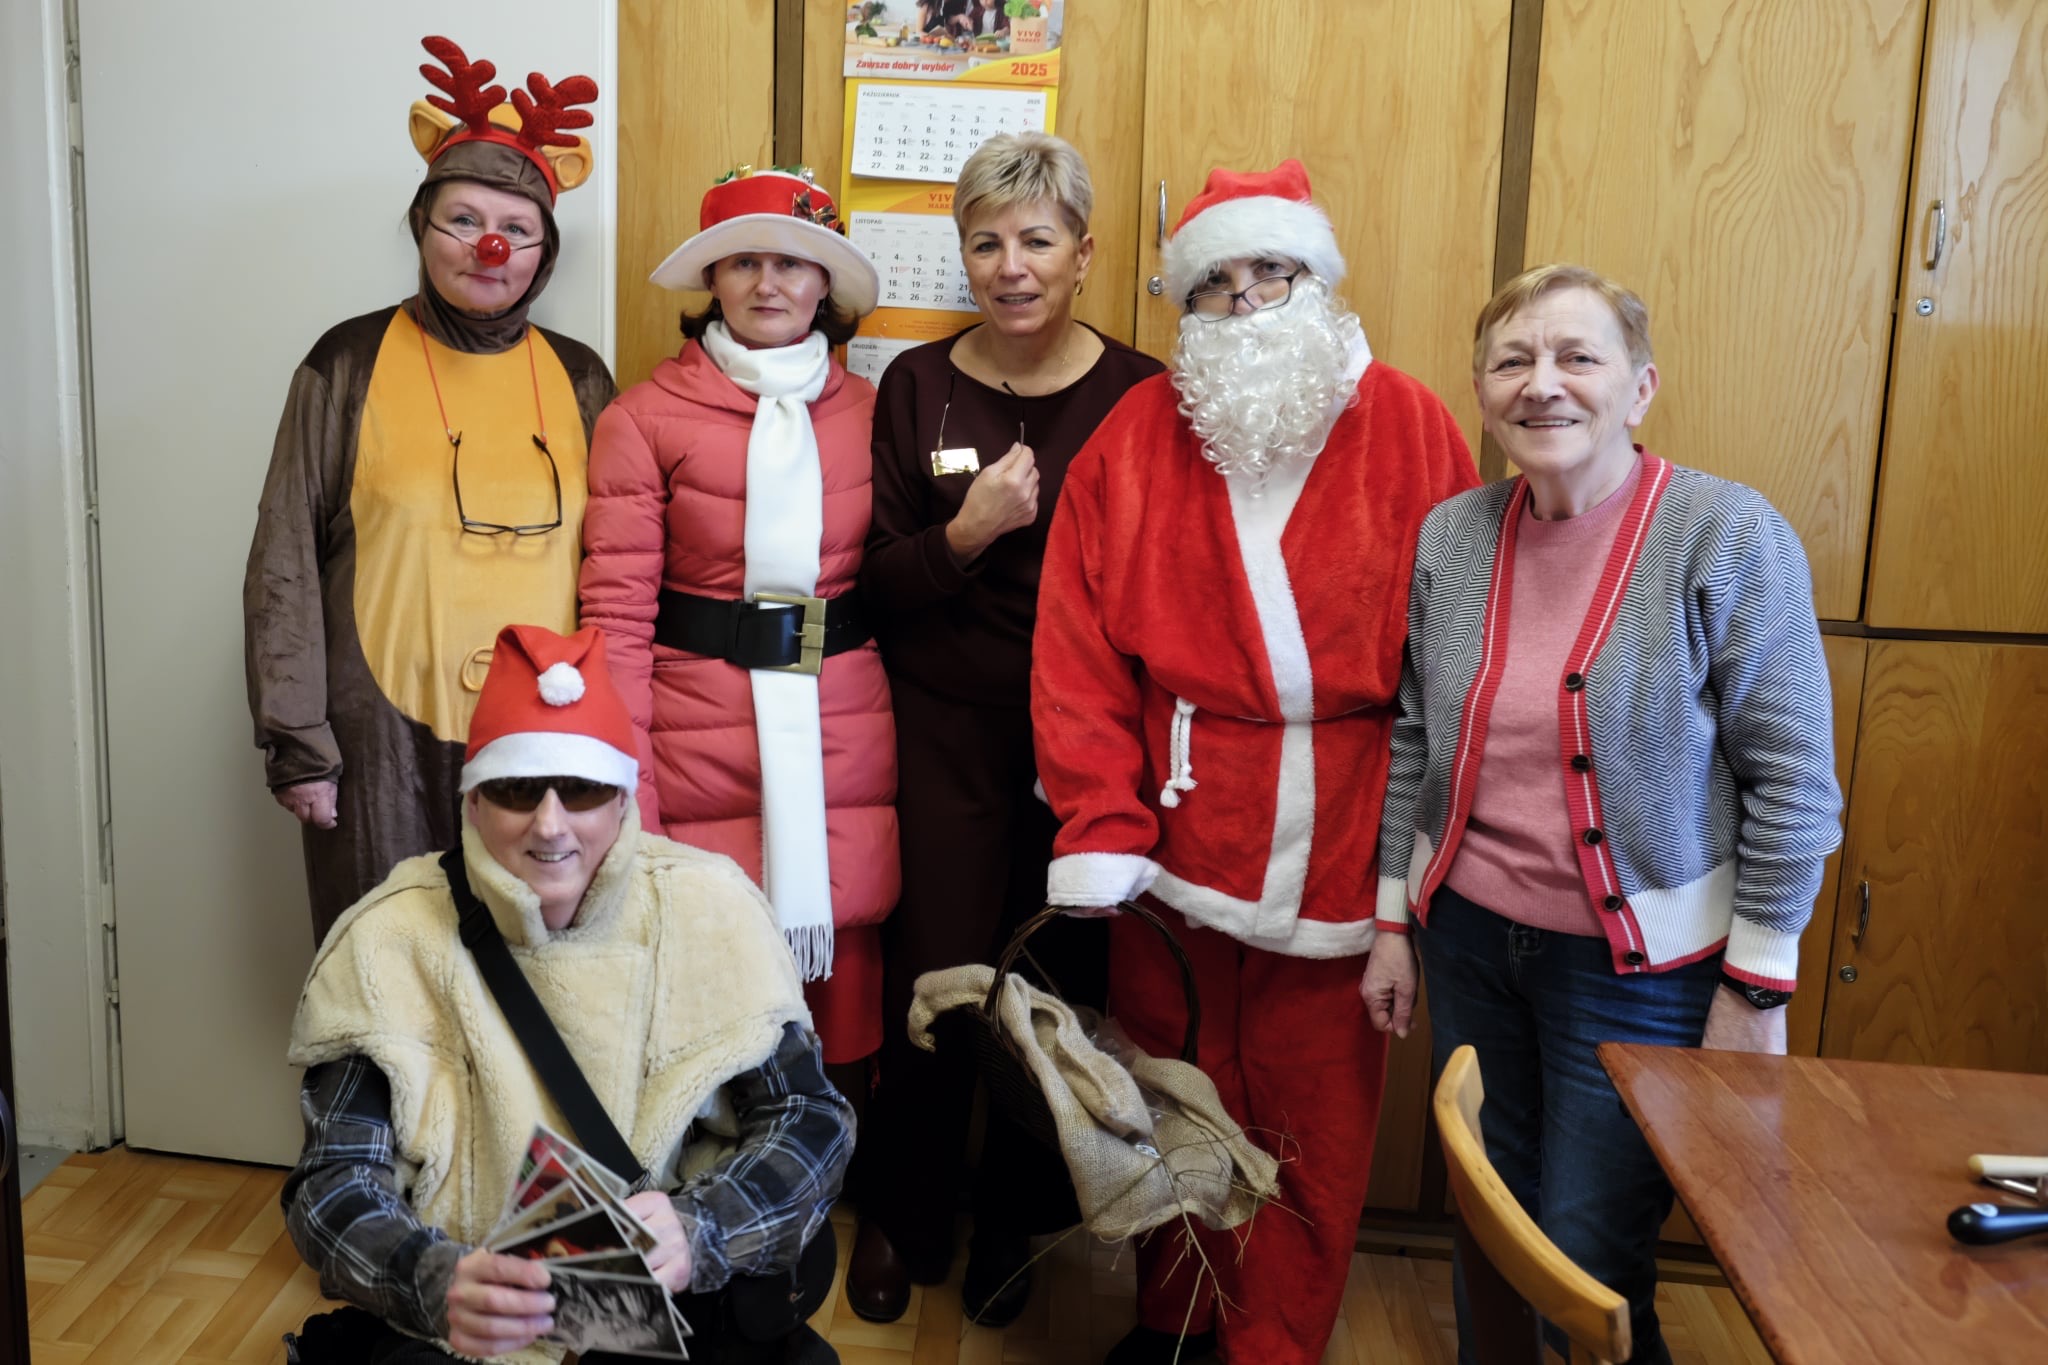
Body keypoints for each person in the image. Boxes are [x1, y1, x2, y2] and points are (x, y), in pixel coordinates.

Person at [1031, 160, 1481, 1365]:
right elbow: (1074, 650)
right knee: (1170, 1089)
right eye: (1215, 282)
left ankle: (1272, 1343)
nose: (1242, 301)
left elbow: (1452, 664)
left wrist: (1411, 873)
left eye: (1268, 273)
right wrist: (1099, 821)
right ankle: (1172, 1323)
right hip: (1172, 829)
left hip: (1345, 830)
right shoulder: (1137, 435)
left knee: (1312, 1118)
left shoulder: (1412, 425)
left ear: (1314, 279)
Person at [1362, 264, 1842, 1364]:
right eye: (1512, 361)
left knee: (1586, 1261)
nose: (1542, 384)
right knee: (1490, 1225)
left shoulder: (1725, 534)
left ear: (1639, 387)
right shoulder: (1451, 536)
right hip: (1467, 943)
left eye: (1577, 357)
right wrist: (1392, 922)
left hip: (1637, 977)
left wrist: (1756, 989)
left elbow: (1795, 785)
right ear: (1481, 392)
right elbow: (1415, 739)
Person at [281, 623, 850, 1365]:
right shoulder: (387, 936)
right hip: (467, 1325)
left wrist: (703, 1229)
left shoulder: (713, 908)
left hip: (673, 1306)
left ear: (622, 799)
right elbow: (331, 1182)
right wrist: (429, 1277)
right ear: (474, 802)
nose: (550, 826)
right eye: (517, 789)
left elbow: (809, 1119)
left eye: (580, 788)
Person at [847, 131, 1165, 1328]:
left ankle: (1017, 1224)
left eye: (1036, 240)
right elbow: (877, 583)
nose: (1010, 266)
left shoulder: (1140, 392)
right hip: (944, 731)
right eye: (985, 243)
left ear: (1083, 253)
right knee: (934, 977)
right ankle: (904, 1212)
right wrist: (966, 534)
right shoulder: (914, 387)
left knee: (1059, 986)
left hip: (1089, 742)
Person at [245, 36, 616, 942]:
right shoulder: (346, 362)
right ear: (421, 226)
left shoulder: (582, 378)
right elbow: (285, 556)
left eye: (517, 228)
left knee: (540, 981)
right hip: (379, 747)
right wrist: (299, 744)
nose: (490, 246)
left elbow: (622, 565)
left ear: (543, 252)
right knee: (389, 970)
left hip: (545, 743)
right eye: (464, 219)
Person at [579, 169, 895, 1070]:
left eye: (792, 263)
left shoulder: (875, 414)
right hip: (695, 740)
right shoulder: (641, 419)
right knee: (706, 1011)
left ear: (824, 283)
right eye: (744, 262)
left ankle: (825, 1158)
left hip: (842, 734)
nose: (768, 284)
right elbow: (616, 616)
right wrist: (627, 783)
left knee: (838, 1018)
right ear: (711, 280)